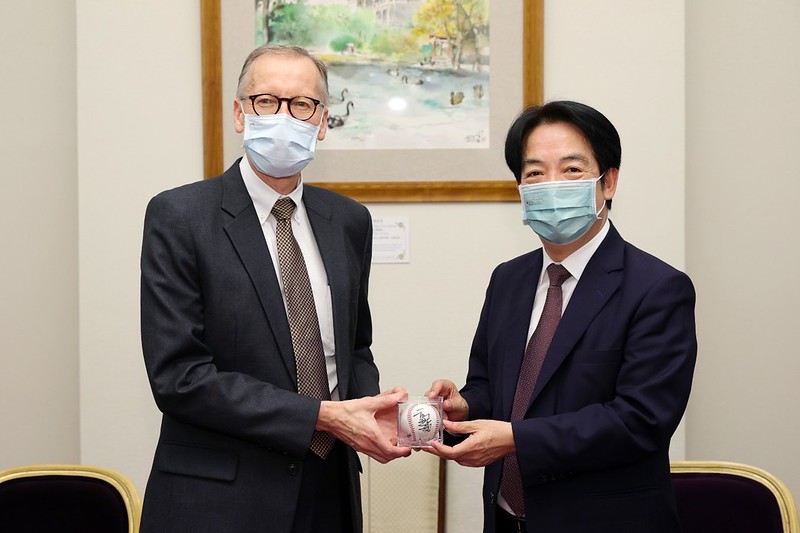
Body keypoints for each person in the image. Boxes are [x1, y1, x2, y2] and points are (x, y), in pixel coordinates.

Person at [139, 44, 410, 533]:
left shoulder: (349, 220)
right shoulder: (179, 216)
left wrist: (368, 409)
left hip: (330, 489)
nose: (284, 116)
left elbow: (354, 347)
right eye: (266, 101)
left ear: (321, 122)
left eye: (302, 104)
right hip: (221, 499)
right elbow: (179, 377)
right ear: (240, 114)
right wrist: (321, 416)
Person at [427, 100, 697, 532]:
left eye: (571, 169)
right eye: (535, 173)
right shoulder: (508, 279)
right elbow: (493, 386)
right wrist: (464, 406)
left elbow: (640, 420)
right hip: (506, 519)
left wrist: (515, 439)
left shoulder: (658, 287)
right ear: (520, 187)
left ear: (608, 182)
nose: (551, 184)